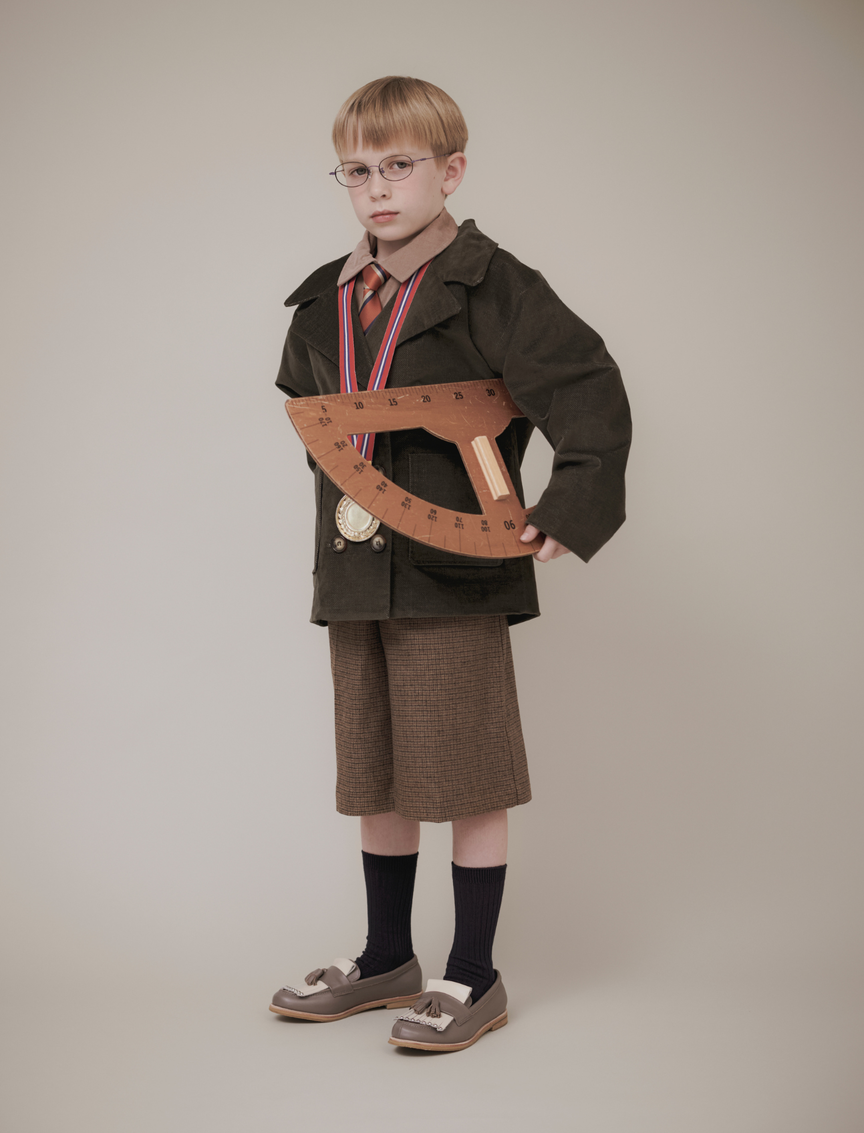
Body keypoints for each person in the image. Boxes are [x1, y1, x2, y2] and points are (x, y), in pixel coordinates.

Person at [269, 76, 631, 1052]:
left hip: (455, 571)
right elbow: (316, 419)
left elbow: (588, 388)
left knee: (466, 772)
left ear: (451, 170)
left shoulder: (495, 284)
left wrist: (570, 505)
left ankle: (473, 971)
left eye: (399, 165)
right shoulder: (322, 300)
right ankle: (388, 955)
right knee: (377, 773)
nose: (377, 188)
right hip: (355, 570)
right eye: (356, 171)